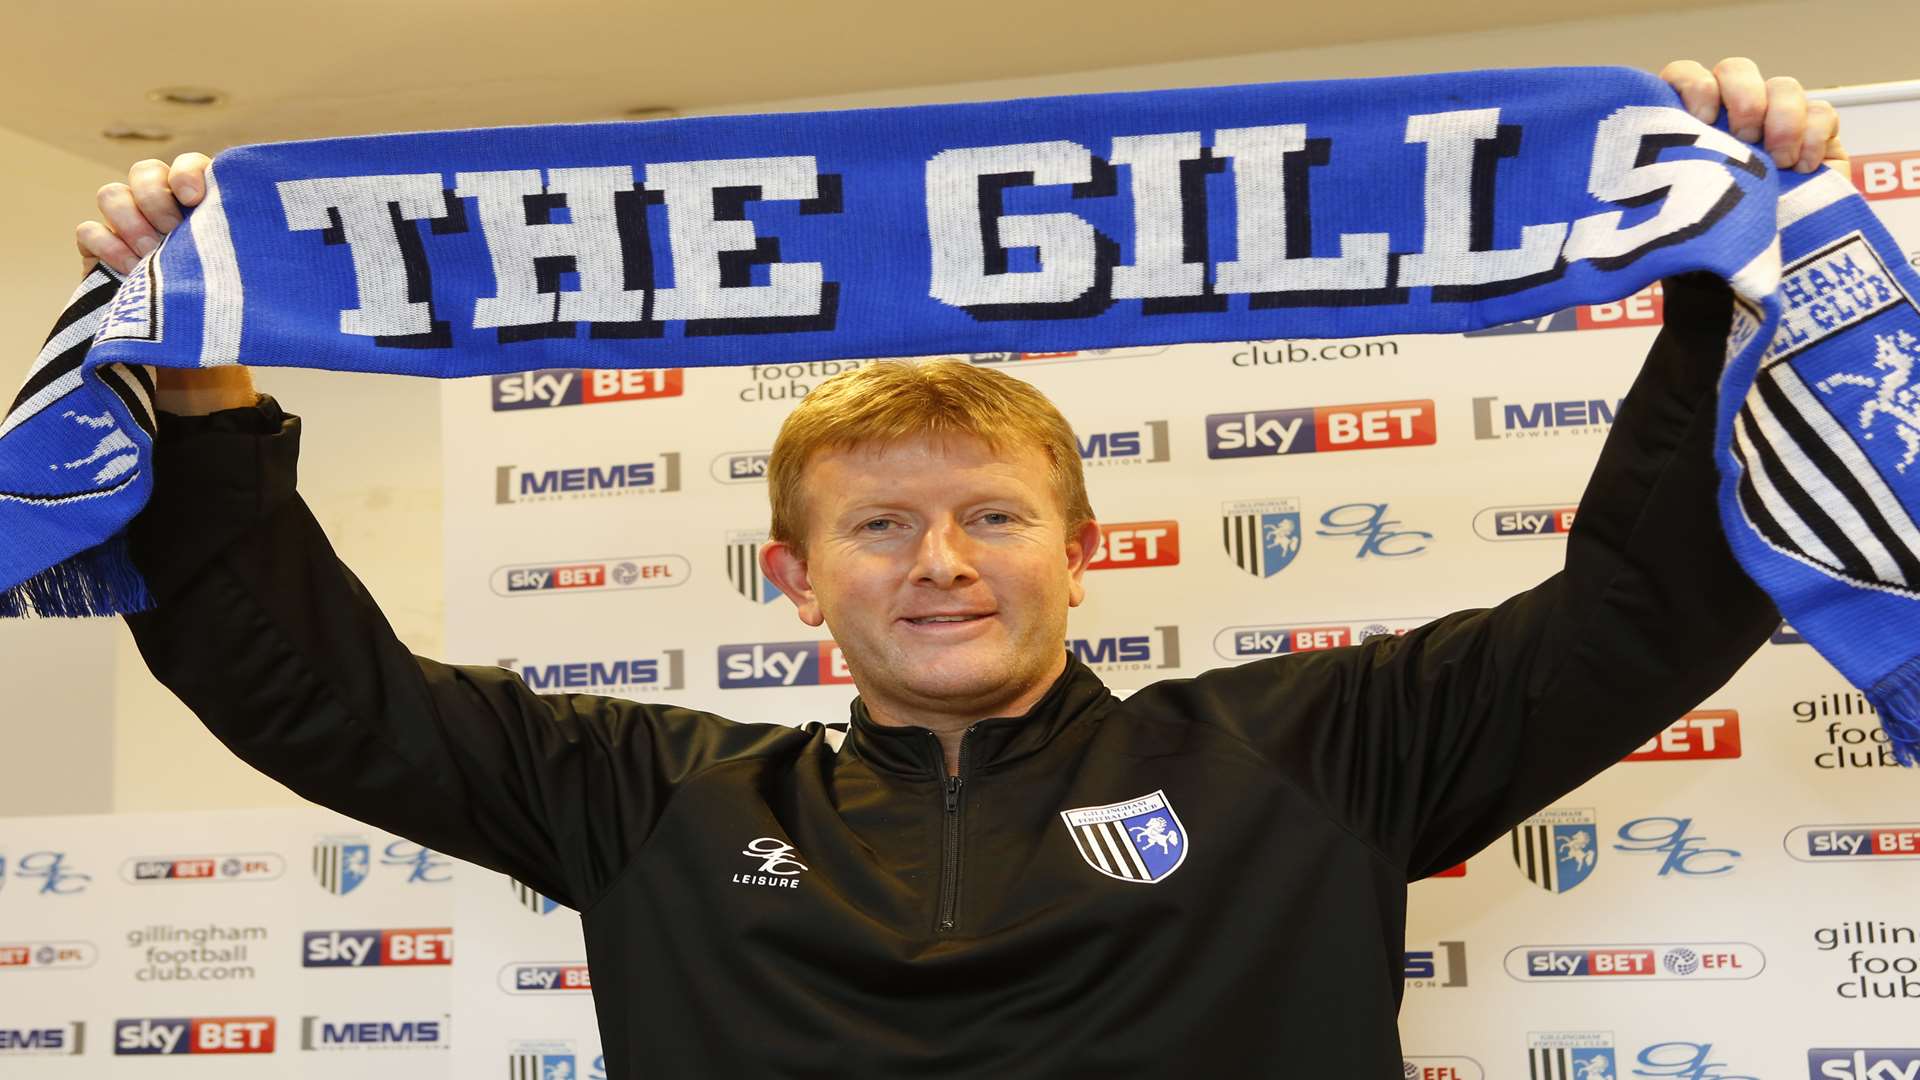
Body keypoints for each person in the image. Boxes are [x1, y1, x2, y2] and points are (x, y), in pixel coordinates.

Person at [80, 59, 1843, 1076]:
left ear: (1082, 555)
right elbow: (314, 694)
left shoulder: (1313, 750)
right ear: (797, 576)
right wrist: (207, 396)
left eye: (992, 515)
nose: (941, 561)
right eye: (880, 524)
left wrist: (1721, 295)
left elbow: (1641, 614)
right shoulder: (646, 796)